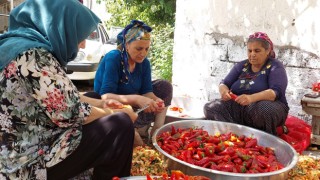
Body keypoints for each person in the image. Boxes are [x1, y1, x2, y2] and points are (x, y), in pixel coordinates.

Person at [0, 0, 138, 179]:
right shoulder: (33, 56)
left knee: (94, 96)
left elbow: (63, 95)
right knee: (119, 125)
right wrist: (118, 112)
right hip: (26, 164)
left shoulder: (19, 46)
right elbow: (70, 113)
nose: (83, 45)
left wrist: (102, 102)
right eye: (80, 35)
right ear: (62, 27)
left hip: (23, 143)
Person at [94, 20, 173, 146]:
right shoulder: (114, 58)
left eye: (147, 49)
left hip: (132, 104)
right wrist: (137, 99)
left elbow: (147, 92)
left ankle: (156, 136)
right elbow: (105, 96)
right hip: (108, 107)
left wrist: (156, 100)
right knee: (132, 136)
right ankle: (133, 135)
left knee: (165, 86)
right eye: (139, 48)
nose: (143, 53)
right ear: (126, 44)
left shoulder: (144, 63)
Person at [203, 32, 289, 135]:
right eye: (249, 50)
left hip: (265, 108)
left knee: (265, 108)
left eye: (257, 51)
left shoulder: (275, 66)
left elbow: (275, 93)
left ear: (267, 51)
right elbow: (224, 83)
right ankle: (235, 133)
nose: (252, 54)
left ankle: (266, 134)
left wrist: (251, 98)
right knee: (211, 107)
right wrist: (224, 91)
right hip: (240, 108)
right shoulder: (242, 65)